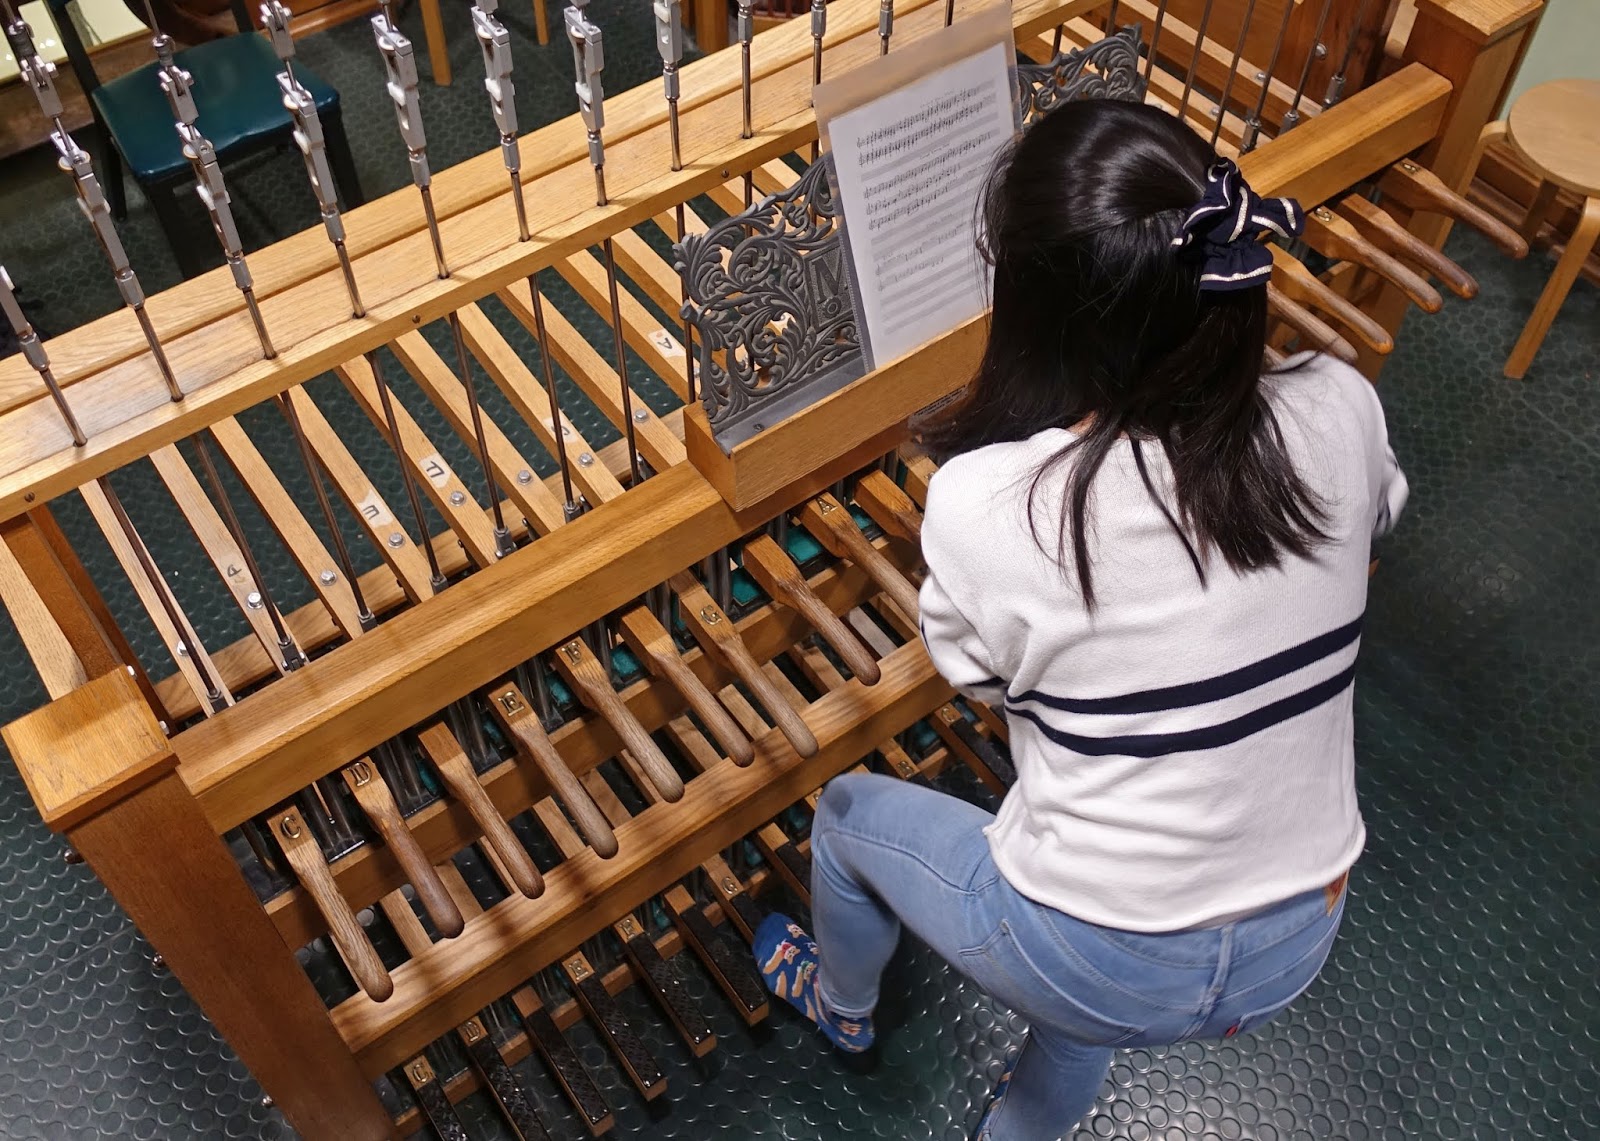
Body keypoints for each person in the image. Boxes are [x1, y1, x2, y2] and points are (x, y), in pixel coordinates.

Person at [751, 98, 1409, 1141]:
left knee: (844, 816)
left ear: (1035, 312)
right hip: (1299, 936)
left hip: (1098, 952)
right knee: (1104, 935)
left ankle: (841, 1006)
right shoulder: (1341, 400)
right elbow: (1374, 522)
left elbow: (979, 677)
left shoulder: (989, 503)